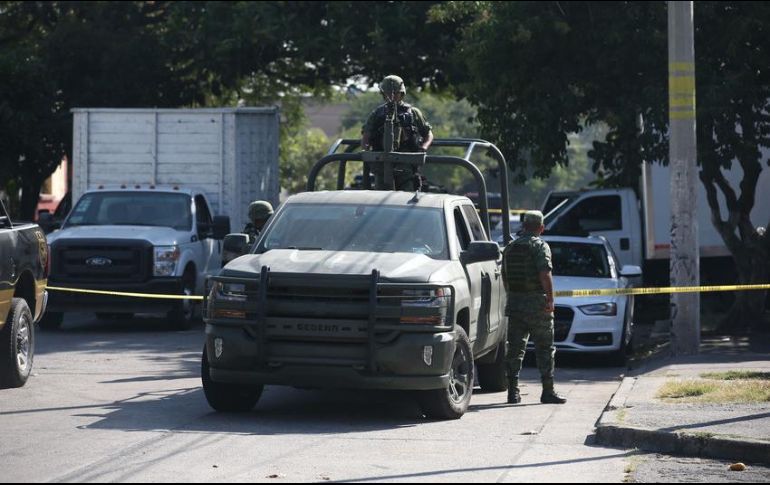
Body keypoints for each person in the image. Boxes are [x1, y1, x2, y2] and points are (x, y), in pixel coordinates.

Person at [501, 210, 567, 405]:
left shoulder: (510, 248)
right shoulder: (540, 246)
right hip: (537, 306)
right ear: (541, 228)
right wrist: (550, 299)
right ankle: (548, 391)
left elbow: (505, 277)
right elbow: (544, 274)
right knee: (545, 348)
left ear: (524, 226)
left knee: (515, 349)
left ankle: (512, 392)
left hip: (515, 304)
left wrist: (514, 296)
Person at [361, 75, 434, 191]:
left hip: (407, 165)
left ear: (402, 93)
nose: (392, 96)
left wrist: (423, 148)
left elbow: (428, 134)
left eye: (395, 93)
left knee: (408, 200)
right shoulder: (377, 114)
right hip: (382, 166)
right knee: (379, 201)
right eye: (388, 93)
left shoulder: (413, 113)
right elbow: (366, 136)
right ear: (383, 94)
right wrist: (366, 151)